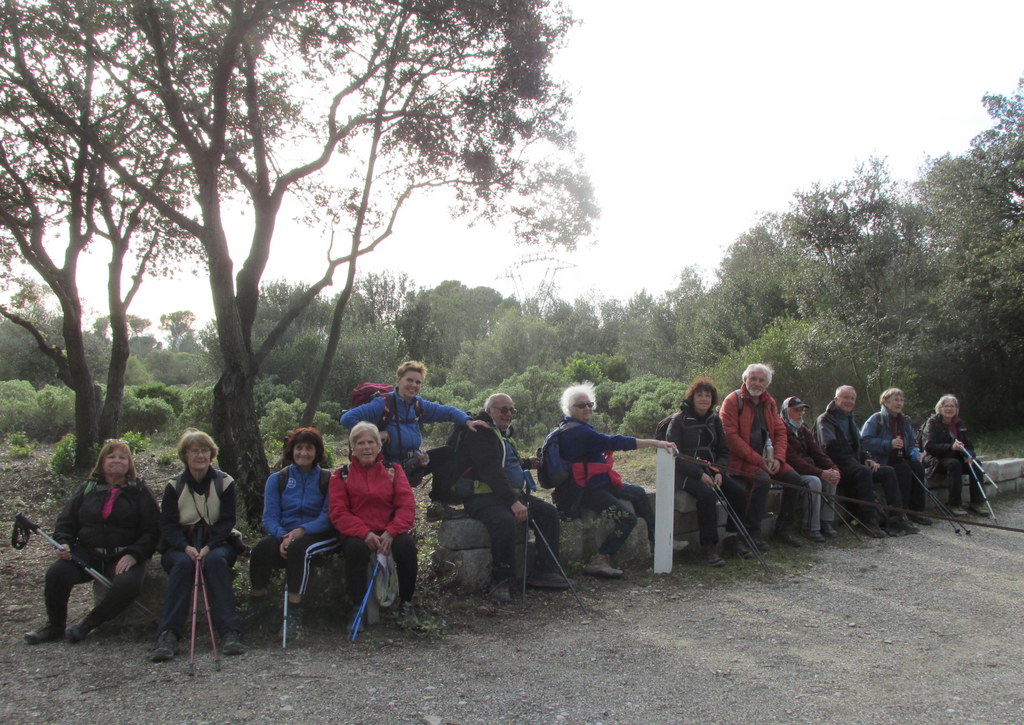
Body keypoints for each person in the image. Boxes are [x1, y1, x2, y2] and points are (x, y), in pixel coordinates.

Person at [24, 440, 160, 645]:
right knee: (57, 573)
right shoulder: (87, 488)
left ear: (130, 463)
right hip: (88, 552)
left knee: (126, 585)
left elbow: (153, 530)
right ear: (102, 461)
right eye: (111, 456)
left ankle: (87, 624)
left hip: (125, 554)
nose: (117, 461)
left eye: (123, 457)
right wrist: (64, 543)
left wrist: (134, 554)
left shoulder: (140, 491)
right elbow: (65, 522)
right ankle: (55, 626)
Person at [553, 382, 676, 578]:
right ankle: (601, 559)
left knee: (637, 492)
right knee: (627, 518)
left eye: (590, 404)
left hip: (600, 482)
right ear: (569, 409)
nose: (587, 408)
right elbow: (615, 442)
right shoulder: (578, 431)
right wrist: (655, 443)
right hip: (588, 491)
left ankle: (658, 540)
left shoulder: (571, 426)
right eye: (581, 405)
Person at [456, 393, 569, 602]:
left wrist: (527, 463)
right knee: (504, 521)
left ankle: (545, 572)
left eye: (512, 410)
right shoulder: (481, 432)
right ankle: (501, 579)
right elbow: (491, 470)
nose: (509, 414)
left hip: (507, 494)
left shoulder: (502, 433)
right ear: (490, 411)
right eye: (503, 409)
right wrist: (513, 502)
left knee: (549, 513)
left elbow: (504, 460)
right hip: (482, 497)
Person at [340, 360, 487, 514]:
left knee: (446, 453)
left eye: (418, 382)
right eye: (409, 380)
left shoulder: (418, 405)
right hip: (387, 468)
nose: (414, 385)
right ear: (398, 380)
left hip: (412, 464)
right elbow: (347, 419)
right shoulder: (383, 404)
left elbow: (447, 411)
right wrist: (375, 434)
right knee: (396, 513)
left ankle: (438, 504)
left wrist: (467, 420)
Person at [151, 430, 245, 663]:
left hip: (218, 543)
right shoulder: (174, 485)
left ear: (212, 454)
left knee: (216, 562)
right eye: (194, 451)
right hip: (181, 546)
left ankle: (229, 633)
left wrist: (209, 547)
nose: (200, 455)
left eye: (204, 450)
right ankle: (168, 634)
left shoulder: (225, 482)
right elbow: (168, 524)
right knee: (182, 565)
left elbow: (227, 521)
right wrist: (185, 547)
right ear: (185, 455)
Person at [242, 427, 340, 637]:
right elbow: (269, 516)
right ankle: (257, 603)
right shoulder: (277, 479)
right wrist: (283, 536)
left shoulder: (328, 479)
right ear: (291, 450)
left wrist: (301, 531)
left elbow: (328, 516)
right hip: (285, 534)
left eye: (309, 448)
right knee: (260, 549)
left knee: (299, 550)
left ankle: (294, 612)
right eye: (299, 448)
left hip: (319, 535)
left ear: (317, 452)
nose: (303, 453)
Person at [329, 422, 419, 630]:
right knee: (355, 549)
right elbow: (338, 512)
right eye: (360, 443)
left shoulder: (393, 470)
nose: (366, 447)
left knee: (406, 546)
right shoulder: (341, 475)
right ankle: (357, 607)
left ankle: (406, 604)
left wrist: (391, 532)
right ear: (353, 447)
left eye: (371, 442)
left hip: (389, 530)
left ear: (379, 446)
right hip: (358, 533)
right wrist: (364, 533)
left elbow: (406, 505)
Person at [665, 377, 758, 566]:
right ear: (692, 398)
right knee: (707, 495)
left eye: (708, 395)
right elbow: (675, 455)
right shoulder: (679, 420)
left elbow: (724, 451)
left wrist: (719, 472)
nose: (704, 399)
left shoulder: (715, 420)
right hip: (684, 473)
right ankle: (710, 546)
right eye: (699, 395)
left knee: (739, 492)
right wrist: (699, 475)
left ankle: (732, 538)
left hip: (712, 469)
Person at [719, 363, 809, 548]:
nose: (757, 383)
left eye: (762, 380)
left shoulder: (770, 402)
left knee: (794, 479)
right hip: (741, 460)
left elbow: (780, 432)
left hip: (768, 458)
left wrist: (779, 458)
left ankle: (783, 529)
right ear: (745, 379)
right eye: (753, 378)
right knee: (762, 480)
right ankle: (752, 532)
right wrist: (758, 460)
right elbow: (730, 437)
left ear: (767, 383)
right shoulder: (733, 400)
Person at [814, 386, 914, 538]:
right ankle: (869, 520)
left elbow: (861, 444)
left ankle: (897, 517)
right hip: (837, 465)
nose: (849, 401)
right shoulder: (825, 419)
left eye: (852, 398)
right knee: (863, 471)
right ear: (836, 399)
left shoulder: (850, 419)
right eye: (846, 397)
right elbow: (830, 448)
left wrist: (868, 458)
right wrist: (857, 463)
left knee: (887, 471)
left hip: (855, 463)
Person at [861, 388, 932, 526]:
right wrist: (889, 444)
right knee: (903, 470)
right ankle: (901, 512)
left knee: (917, 467)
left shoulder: (904, 421)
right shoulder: (876, 419)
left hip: (901, 458)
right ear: (885, 402)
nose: (899, 403)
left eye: (901, 400)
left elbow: (912, 442)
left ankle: (916, 511)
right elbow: (864, 441)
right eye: (895, 400)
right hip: (882, 460)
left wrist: (915, 453)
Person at [780, 397, 841, 541]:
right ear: (785, 411)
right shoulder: (781, 429)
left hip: (809, 469)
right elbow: (792, 460)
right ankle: (811, 527)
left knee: (831, 478)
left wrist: (833, 469)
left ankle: (826, 521)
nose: (800, 414)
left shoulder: (803, 429)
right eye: (796, 410)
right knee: (814, 482)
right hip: (791, 472)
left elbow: (818, 453)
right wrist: (820, 473)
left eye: (801, 410)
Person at [922, 394, 984, 517]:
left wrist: (969, 455)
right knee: (954, 464)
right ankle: (954, 504)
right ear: (940, 408)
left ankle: (976, 502)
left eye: (952, 406)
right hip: (936, 459)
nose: (949, 409)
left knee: (976, 464)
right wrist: (951, 447)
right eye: (946, 406)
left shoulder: (959, 424)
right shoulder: (932, 423)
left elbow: (969, 445)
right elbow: (929, 446)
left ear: (956, 409)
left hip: (957, 457)